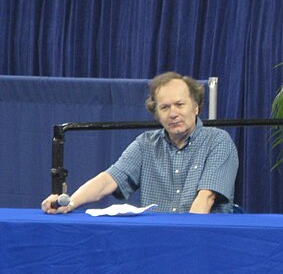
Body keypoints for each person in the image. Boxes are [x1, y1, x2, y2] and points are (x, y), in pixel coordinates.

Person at [41, 72, 239, 214]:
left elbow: (206, 199)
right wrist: (69, 203)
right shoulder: (146, 144)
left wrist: (184, 241)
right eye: (164, 107)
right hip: (154, 239)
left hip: (202, 238)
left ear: (196, 108)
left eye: (180, 104)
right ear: (156, 114)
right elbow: (108, 180)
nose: (173, 113)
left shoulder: (218, 141)